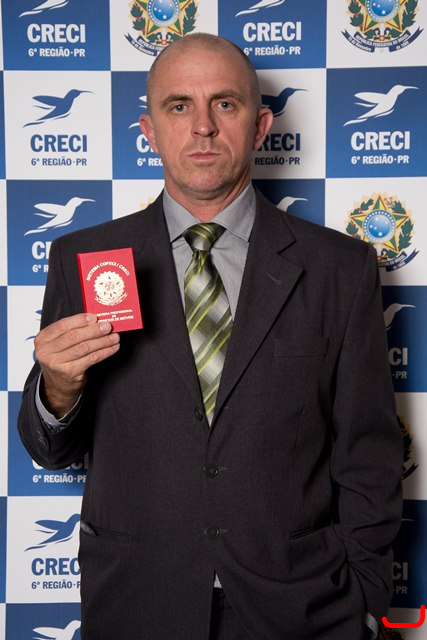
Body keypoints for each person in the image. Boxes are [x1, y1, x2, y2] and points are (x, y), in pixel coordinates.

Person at [18, 33, 402, 640]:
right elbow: (51, 451)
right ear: (149, 131)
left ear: (260, 126)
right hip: (137, 603)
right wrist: (58, 388)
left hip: (301, 608)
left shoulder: (341, 268)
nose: (202, 126)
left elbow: (370, 455)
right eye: (179, 106)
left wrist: (364, 600)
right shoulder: (84, 259)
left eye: (225, 103)